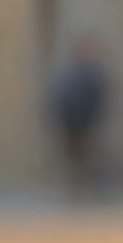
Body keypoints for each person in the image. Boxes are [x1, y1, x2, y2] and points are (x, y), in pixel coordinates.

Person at [50, 37, 111, 195]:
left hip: (84, 123)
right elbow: (59, 99)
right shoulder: (75, 75)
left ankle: (84, 187)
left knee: (85, 156)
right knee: (76, 157)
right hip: (73, 122)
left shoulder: (89, 76)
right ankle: (78, 188)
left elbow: (99, 99)